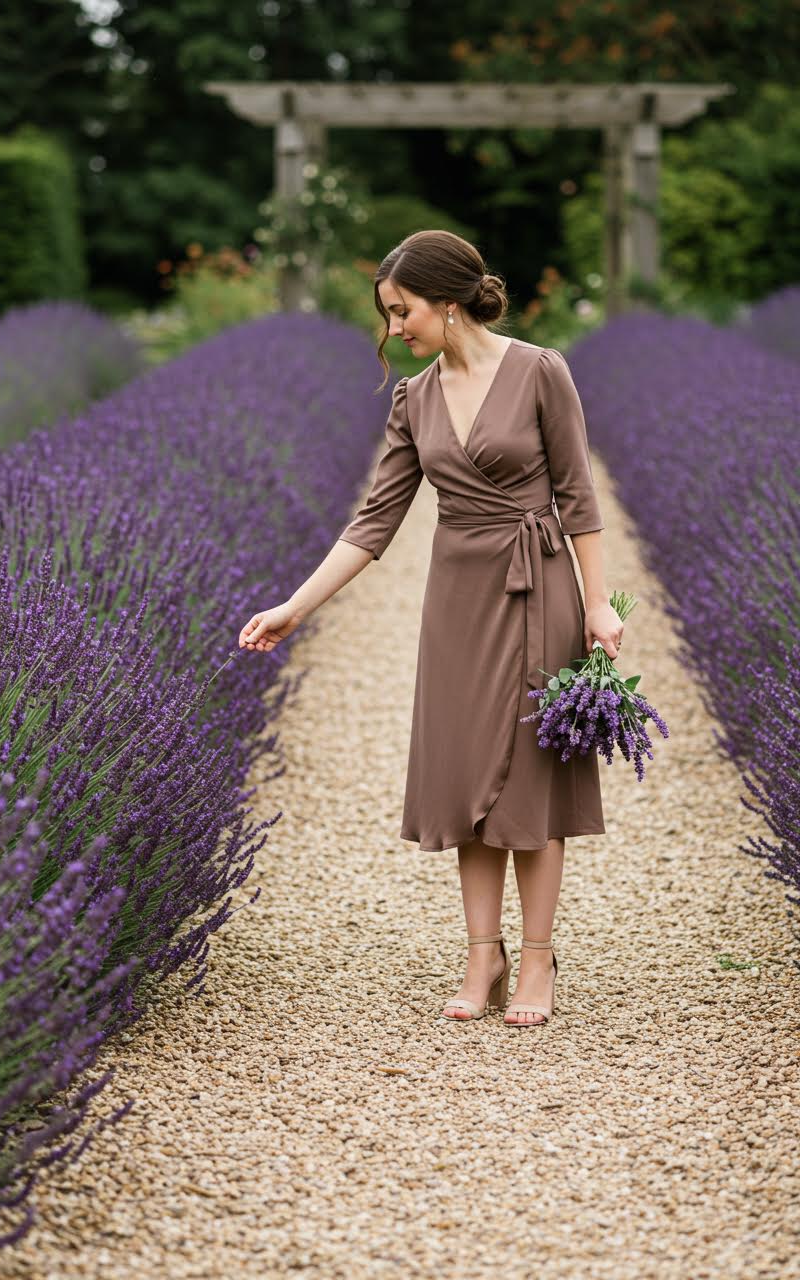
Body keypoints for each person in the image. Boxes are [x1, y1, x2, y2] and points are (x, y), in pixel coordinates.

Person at [238, 230, 624, 1027]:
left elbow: (579, 499)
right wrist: (293, 607)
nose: (393, 329)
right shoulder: (412, 399)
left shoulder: (542, 371)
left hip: (537, 587)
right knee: (462, 773)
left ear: (447, 301)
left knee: (531, 779)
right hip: (456, 600)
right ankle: (484, 955)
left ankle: (539, 965)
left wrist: (596, 605)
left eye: (401, 310)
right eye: (387, 315)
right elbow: (372, 524)